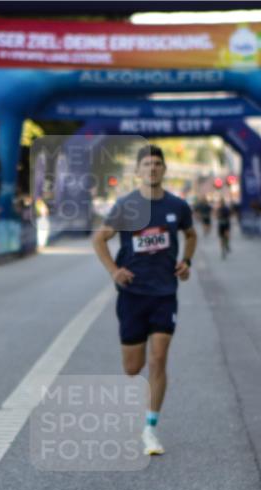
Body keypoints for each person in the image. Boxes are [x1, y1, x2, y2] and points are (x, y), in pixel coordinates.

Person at [91, 145, 197, 456]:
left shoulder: (177, 206)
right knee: (132, 368)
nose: (152, 169)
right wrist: (114, 271)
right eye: (146, 165)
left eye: (157, 164)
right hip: (133, 295)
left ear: (164, 170)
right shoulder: (125, 206)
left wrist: (186, 262)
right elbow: (99, 238)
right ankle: (139, 412)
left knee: (158, 359)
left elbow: (191, 235)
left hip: (165, 293)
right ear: (138, 171)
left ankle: (150, 427)